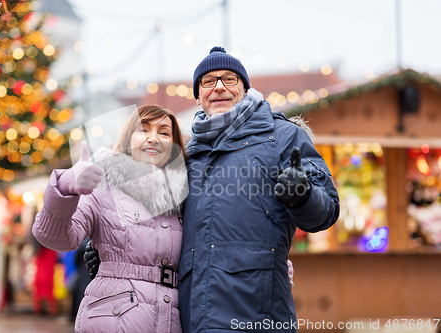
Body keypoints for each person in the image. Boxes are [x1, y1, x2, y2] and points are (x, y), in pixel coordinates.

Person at [85, 46, 339, 332]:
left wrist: (304, 196)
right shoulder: (187, 154)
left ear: (244, 88)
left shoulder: (281, 137)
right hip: (195, 318)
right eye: (208, 81)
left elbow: (326, 211)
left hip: (256, 314)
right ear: (198, 96)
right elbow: (163, 223)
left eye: (229, 79)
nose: (219, 87)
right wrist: (116, 256)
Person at [32, 105, 189, 333]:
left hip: (170, 320)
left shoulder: (184, 198)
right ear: (127, 140)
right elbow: (55, 237)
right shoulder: (103, 185)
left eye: (164, 133)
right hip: (113, 318)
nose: (153, 138)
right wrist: (65, 188)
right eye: (144, 129)